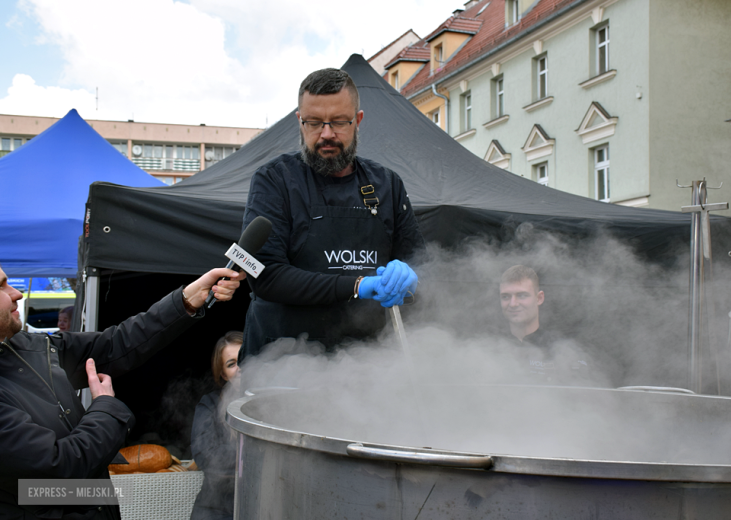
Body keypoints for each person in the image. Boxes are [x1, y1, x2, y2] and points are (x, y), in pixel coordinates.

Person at [0, 265, 245, 519]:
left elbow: (116, 344)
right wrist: (105, 408)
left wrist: (187, 300)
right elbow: (57, 470)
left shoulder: (29, 347)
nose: (16, 293)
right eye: (1, 286)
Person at [241, 67, 425, 355]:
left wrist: (411, 277)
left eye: (339, 122)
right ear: (299, 121)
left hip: (367, 360)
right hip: (283, 360)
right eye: (314, 123)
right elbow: (266, 276)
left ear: (358, 120)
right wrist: (358, 285)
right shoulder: (274, 180)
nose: (326, 134)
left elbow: (420, 263)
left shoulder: (387, 184)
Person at [499, 265, 592, 385]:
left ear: (539, 298)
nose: (513, 304)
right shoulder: (489, 348)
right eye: (505, 297)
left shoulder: (565, 352)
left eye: (522, 295)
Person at [190, 331, 243, 520]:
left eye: (243, 359)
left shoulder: (271, 405)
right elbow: (205, 455)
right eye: (231, 364)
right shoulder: (210, 404)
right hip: (215, 510)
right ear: (223, 374)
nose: (240, 368)